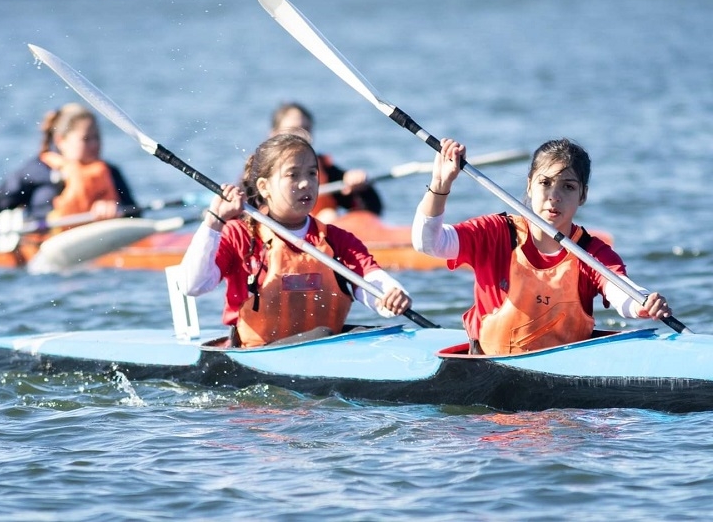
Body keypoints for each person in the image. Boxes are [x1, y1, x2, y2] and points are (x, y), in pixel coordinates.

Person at [412, 137, 672, 356]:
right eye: (545, 183)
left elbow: (621, 292)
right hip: (489, 373)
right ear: (529, 185)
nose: (554, 196)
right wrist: (440, 185)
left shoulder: (591, 253)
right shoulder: (494, 233)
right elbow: (428, 243)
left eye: (568, 187)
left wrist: (643, 303)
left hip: (564, 394)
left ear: (583, 195)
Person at [177, 133, 411, 348]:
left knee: (340, 335)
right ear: (264, 187)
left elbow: (373, 281)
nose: (305, 183)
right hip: (255, 356)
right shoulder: (240, 236)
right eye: (292, 174)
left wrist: (392, 295)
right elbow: (192, 285)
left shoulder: (337, 240)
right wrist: (214, 221)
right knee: (323, 335)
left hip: (324, 349)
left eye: (312, 173)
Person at [0, 102, 139, 247]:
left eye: (97, 137)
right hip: (47, 246)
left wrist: (119, 210)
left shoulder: (111, 172)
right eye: (86, 139)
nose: (95, 145)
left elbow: (136, 215)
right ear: (60, 141)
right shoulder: (37, 171)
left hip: (106, 243)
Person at [269, 102, 383, 223]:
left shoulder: (324, 169)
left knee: (329, 216)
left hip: (315, 234)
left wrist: (361, 189)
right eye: (293, 130)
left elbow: (373, 209)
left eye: (306, 129)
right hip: (276, 231)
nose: (301, 136)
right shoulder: (261, 170)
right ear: (274, 134)